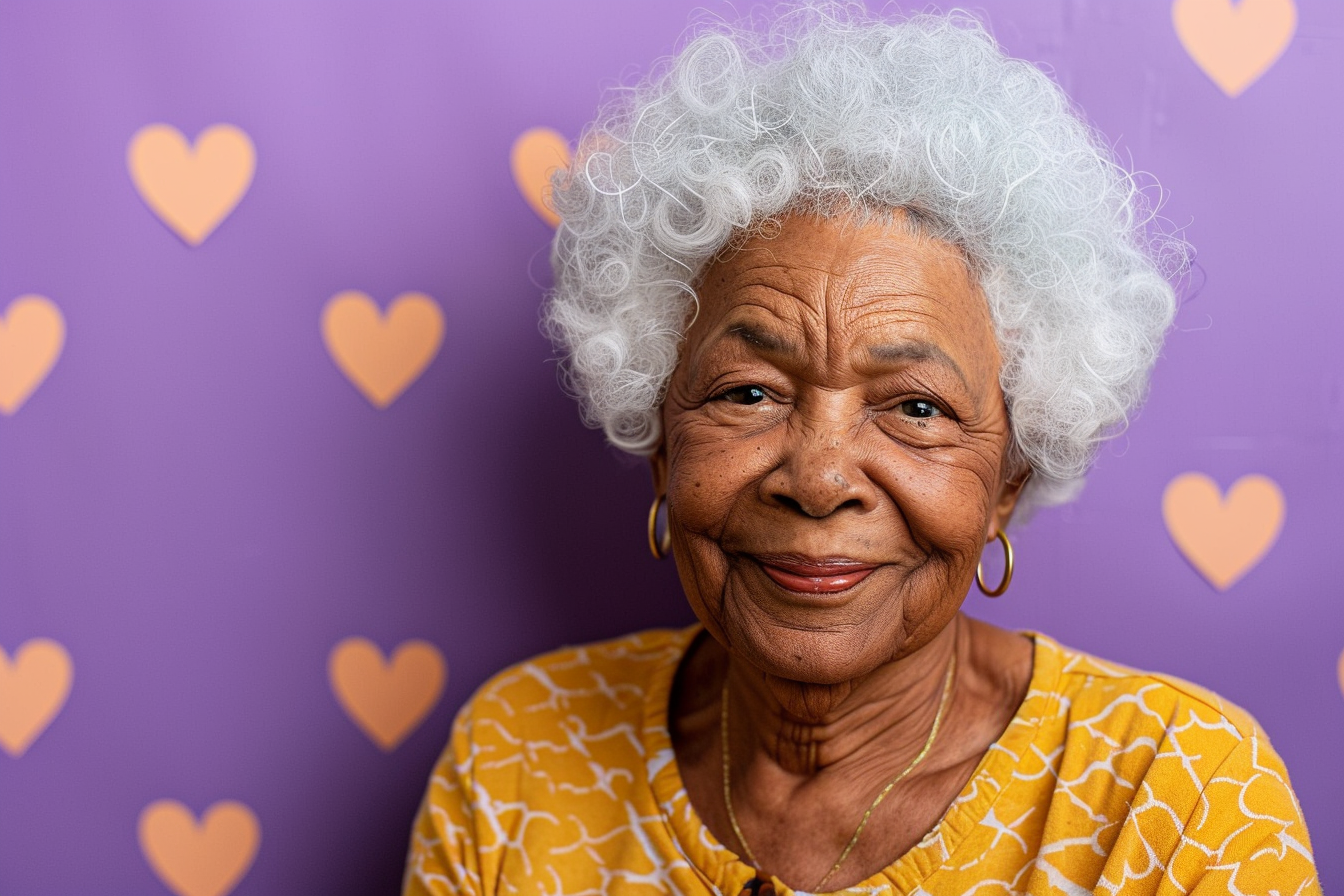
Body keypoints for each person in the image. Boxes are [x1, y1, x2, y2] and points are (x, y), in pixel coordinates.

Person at [404, 7, 1319, 894]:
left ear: (1007, 481)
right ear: (661, 448)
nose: (821, 477)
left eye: (915, 407)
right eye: (749, 392)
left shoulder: (1180, 798)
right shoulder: (518, 759)